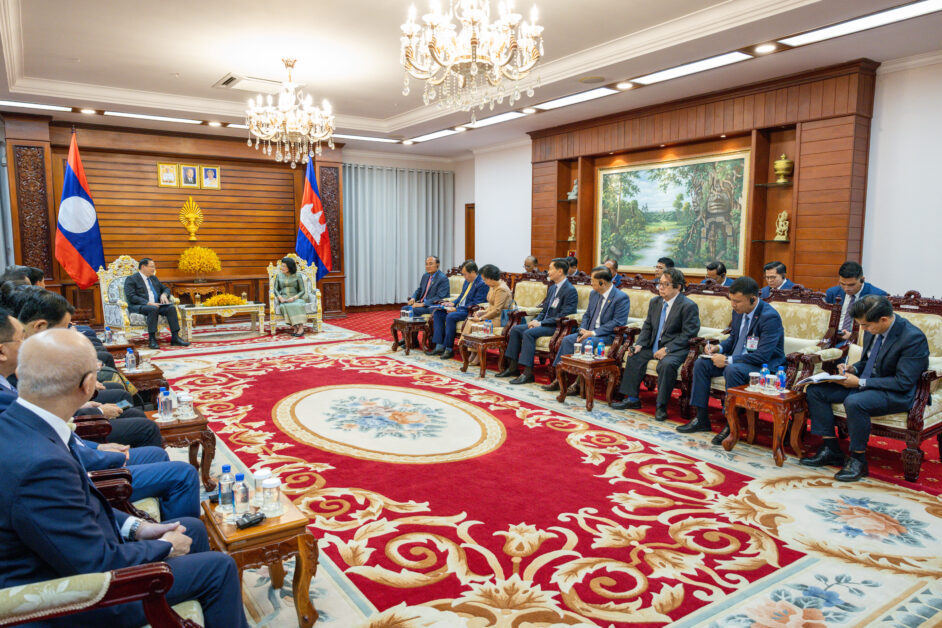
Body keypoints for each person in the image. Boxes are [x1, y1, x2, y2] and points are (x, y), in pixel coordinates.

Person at [0, 328, 248, 627]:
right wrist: (166, 546)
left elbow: (80, 506)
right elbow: (96, 564)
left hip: (68, 556)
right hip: (72, 598)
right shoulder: (41, 466)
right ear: (88, 385)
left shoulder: (20, 424)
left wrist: (137, 527)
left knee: (192, 528)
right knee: (218, 568)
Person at [0, 312, 198, 520]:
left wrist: (97, 448)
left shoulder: (13, 386)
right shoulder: (16, 417)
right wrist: (105, 448)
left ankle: (169, 519)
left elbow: (57, 434)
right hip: (85, 474)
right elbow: (59, 450)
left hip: (82, 452)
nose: (25, 343)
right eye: (21, 338)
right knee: (182, 473)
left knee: (156, 453)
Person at [9, 286, 161, 448]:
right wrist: (96, 412)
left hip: (68, 418)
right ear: (40, 326)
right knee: (147, 428)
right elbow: (43, 412)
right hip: (67, 435)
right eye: (64, 328)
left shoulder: (32, 345)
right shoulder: (17, 358)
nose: (68, 333)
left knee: (130, 408)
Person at [801, 296, 929, 482]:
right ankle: (831, 449)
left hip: (896, 392)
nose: (862, 329)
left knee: (855, 402)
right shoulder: (872, 330)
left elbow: (903, 382)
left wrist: (860, 383)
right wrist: (852, 369)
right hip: (867, 383)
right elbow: (868, 361)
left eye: (866, 325)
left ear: (884, 319)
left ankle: (858, 460)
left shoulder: (912, 338)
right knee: (816, 390)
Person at [682, 276, 785, 441]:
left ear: (753, 299)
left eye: (737, 301)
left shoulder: (769, 317)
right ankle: (701, 418)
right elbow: (733, 339)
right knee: (701, 363)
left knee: (732, 369)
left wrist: (727, 360)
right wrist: (718, 348)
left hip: (762, 366)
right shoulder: (738, 312)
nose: (733, 304)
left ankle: (731, 424)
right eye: (731, 300)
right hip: (738, 360)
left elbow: (763, 355)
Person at [612, 268, 701, 420]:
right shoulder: (655, 302)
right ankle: (632, 399)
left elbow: (689, 334)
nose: (660, 287)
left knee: (666, 365)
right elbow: (648, 325)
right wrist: (639, 344)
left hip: (676, 349)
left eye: (665, 284)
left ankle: (661, 406)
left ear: (678, 287)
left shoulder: (688, 306)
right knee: (634, 355)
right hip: (654, 345)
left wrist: (667, 349)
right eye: (660, 283)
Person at [543, 266, 629, 391]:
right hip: (588, 332)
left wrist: (593, 333)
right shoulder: (594, 294)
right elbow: (587, 315)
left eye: (593, 280)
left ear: (602, 283)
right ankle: (561, 378)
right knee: (567, 340)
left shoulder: (621, 297)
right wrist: (582, 329)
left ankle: (579, 383)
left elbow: (617, 322)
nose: (590, 283)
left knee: (587, 343)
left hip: (608, 335)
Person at [498, 259, 578, 384]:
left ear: (560, 271)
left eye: (551, 269)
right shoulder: (552, 288)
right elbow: (544, 310)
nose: (548, 272)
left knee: (528, 333)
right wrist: (536, 320)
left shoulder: (570, 290)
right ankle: (513, 367)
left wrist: (540, 323)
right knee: (515, 329)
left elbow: (564, 315)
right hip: (544, 323)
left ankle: (528, 373)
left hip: (557, 326)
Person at [426, 260, 488, 360]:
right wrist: (452, 303)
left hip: (469, 311)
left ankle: (448, 349)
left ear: (473, 272)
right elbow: (462, 296)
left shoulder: (482, 284)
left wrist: (456, 309)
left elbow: (476, 303)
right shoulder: (467, 281)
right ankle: (439, 346)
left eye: (465, 274)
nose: (464, 277)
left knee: (451, 316)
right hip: (460, 308)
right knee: (438, 313)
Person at [124, 258, 189, 349]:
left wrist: (164, 294)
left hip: (156, 305)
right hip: (140, 306)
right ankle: (152, 339)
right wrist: (148, 303)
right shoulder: (132, 279)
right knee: (153, 309)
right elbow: (131, 296)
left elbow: (166, 288)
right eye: (151, 267)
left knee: (171, 308)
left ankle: (175, 338)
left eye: (154, 267)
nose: (154, 269)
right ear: (143, 267)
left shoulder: (153, 278)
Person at [460, 264, 513, 366]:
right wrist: (480, 312)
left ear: (490, 278)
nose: (484, 282)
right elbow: (490, 307)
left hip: (500, 319)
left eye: (485, 279)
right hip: (491, 316)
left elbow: (497, 310)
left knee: (476, 325)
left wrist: (481, 318)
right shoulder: (492, 287)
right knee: (469, 321)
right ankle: (472, 351)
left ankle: (476, 354)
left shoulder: (501, 289)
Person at [824, 261, 888, 343]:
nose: (846, 288)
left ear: (862, 280)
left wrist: (854, 336)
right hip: (833, 337)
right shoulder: (832, 293)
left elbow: (879, 326)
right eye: (842, 284)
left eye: (851, 285)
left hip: (859, 341)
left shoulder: (877, 296)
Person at [272, 256, 310, 337]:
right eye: (282, 266)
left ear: (290, 267)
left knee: (296, 305)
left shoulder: (298, 275)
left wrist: (294, 298)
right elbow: (275, 289)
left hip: (295, 298)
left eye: (284, 266)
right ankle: (295, 327)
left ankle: (301, 328)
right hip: (283, 298)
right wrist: (280, 297)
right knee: (283, 306)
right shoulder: (279, 275)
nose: (282, 268)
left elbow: (302, 291)